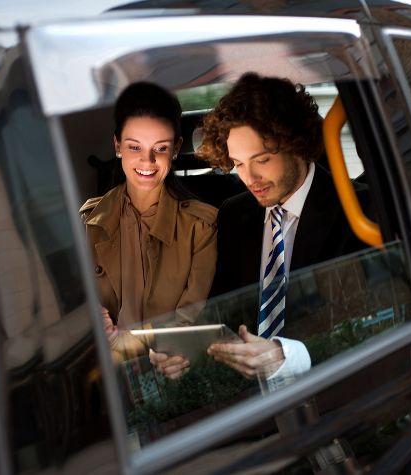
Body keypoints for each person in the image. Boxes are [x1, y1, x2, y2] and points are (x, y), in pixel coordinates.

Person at [196, 73, 366, 384]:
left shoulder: (357, 211)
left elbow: (368, 324)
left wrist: (286, 356)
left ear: (296, 143)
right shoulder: (234, 215)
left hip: (331, 388)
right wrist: (189, 354)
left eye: (261, 159)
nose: (249, 178)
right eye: (238, 163)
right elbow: (221, 314)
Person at [80, 82, 217, 375]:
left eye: (161, 148)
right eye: (134, 147)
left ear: (176, 149)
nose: (147, 161)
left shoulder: (202, 227)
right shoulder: (87, 223)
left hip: (167, 367)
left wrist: (156, 351)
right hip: (104, 373)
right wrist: (92, 319)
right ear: (117, 146)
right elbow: (77, 307)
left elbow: (188, 320)